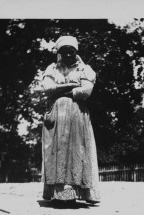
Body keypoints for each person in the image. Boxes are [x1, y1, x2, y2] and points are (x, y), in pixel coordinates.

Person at [40, 35, 100, 204]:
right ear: (59, 53)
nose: (68, 55)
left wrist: (61, 91)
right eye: (64, 52)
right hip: (56, 115)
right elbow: (47, 88)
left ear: (76, 52)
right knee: (57, 151)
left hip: (77, 114)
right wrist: (72, 86)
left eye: (71, 52)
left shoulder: (84, 69)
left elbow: (86, 91)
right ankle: (59, 194)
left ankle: (74, 193)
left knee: (76, 150)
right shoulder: (52, 69)